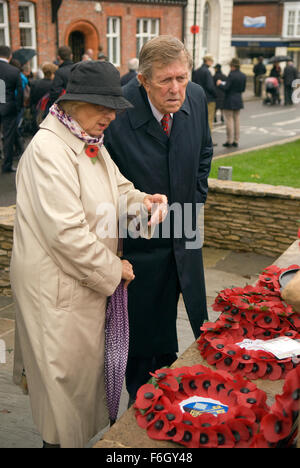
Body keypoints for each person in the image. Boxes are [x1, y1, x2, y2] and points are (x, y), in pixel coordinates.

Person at [10, 60, 167, 448]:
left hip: (79, 288)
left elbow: (119, 189)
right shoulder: (49, 150)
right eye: (102, 106)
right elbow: (66, 233)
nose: (111, 115)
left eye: (114, 106)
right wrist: (115, 269)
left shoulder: (85, 142)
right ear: (73, 102)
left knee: (75, 397)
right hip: (58, 292)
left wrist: (142, 203)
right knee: (62, 405)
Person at [104, 35, 213, 405]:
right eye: (165, 80)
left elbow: (204, 153)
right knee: (144, 338)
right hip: (138, 239)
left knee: (197, 321)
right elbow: (101, 187)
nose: (176, 89)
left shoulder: (196, 96)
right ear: (143, 79)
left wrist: (194, 204)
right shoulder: (114, 114)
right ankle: (145, 411)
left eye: (182, 78)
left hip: (185, 229)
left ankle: (178, 396)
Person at [0, 45, 23, 173]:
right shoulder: (14, 71)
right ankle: (7, 165)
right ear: (10, 56)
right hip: (8, 107)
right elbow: (20, 92)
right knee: (8, 137)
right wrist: (18, 107)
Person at [217, 57, 246, 148]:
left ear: (233, 66)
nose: (230, 67)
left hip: (229, 99)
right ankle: (236, 140)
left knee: (229, 120)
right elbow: (243, 89)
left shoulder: (231, 75)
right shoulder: (243, 75)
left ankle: (229, 140)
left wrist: (220, 84)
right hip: (238, 99)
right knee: (237, 120)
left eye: (230, 65)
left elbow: (226, 87)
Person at [192, 54, 217, 134]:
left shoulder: (197, 70)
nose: (212, 63)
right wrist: (215, 94)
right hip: (209, 98)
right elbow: (210, 86)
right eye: (212, 61)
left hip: (198, 98)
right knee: (209, 119)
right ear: (208, 61)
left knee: (199, 120)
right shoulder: (207, 72)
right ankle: (208, 141)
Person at [30, 62, 58, 132]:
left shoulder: (36, 83)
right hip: (49, 114)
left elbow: (32, 99)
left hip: (37, 112)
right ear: (53, 73)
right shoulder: (54, 85)